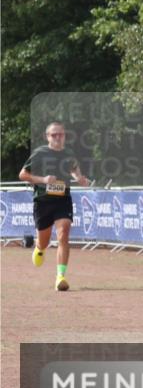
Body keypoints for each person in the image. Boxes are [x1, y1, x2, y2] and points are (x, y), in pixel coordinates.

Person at [19, 121, 90, 291]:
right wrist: (43, 180)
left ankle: (60, 277)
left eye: (61, 134)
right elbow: (23, 174)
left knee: (63, 234)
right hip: (43, 202)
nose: (58, 137)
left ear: (64, 136)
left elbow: (73, 167)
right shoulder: (39, 153)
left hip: (62, 200)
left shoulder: (68, 153)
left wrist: (79, 177)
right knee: (43, 241)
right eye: (54, 135)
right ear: (47, 137)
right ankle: (39, 248)